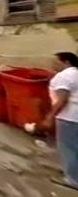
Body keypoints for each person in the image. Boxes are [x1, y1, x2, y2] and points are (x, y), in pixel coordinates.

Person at [40, 52, 78, 189]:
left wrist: (49, 117)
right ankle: (73, 172)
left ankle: (72, 179)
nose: (53, 64)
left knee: (67, 148)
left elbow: (62, 99)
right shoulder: (75, 74)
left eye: (56, 61)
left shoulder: (65, 76)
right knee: (75, 147)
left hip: (69, 117)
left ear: (66, 62)